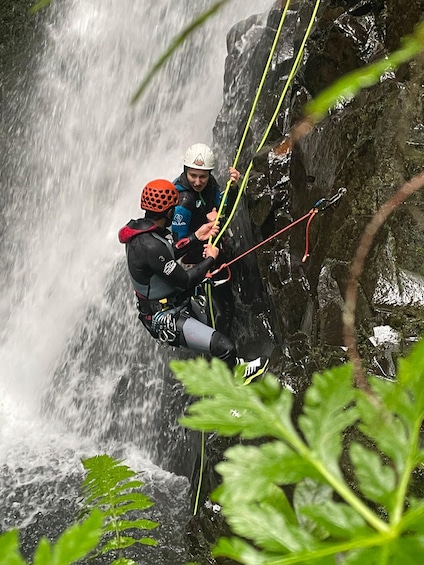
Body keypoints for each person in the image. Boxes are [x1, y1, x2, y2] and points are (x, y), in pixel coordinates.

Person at [119, 178, 269, 384]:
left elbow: (168, 253)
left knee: (214, 335)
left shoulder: (146, 234)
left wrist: (196, 237)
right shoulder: (149, 245)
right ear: (168, 211)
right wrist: (211, 258)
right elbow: (186, 280)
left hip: (173, 305)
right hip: (164, 317)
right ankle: (233, 394)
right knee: (224, 347)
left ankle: (227, 374)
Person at [171, 143, 239, 335]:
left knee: (224, 308)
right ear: (185, 172)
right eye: (193, 175)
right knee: (223, 310)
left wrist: (232, 188)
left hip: (212, 252)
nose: (198, 181)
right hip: (197, 262)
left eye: (203, 176)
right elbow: (178, 245)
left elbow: (222, 208)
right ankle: (222, 354)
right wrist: (204, 219)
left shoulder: (210, 185)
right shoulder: (182, 201)